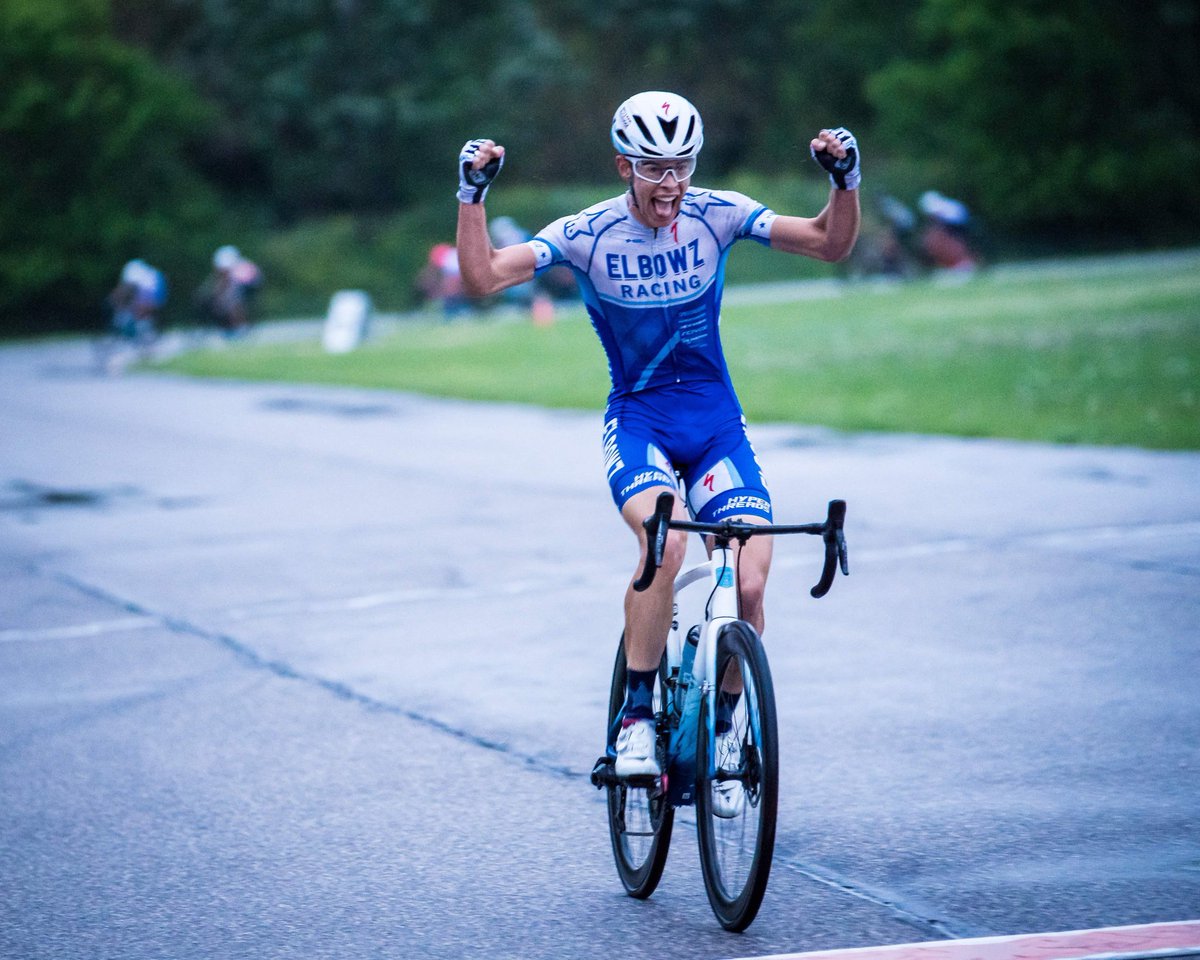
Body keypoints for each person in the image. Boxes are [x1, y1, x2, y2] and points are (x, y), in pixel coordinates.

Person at [455, 91, 860, 798]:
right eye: (653, 167)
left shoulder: (719, 213)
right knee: (666, 546)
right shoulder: (586, 233)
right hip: (639, 423)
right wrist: (471, 198)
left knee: (753, 581)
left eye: (681, 165)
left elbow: (830, 242)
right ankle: (636, 719)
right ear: (623, 167)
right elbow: (484, 277)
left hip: (714, 427)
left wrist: (844, 181)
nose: (670, 182)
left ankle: (728, 733)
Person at [196, 245, 262, 336]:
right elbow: (214, 289)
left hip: (244, 290)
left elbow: (234, 289)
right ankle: (230, 327)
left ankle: (241, 327)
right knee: (218, 302)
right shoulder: (226, 272)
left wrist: (222, 300)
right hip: (239, 291)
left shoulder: (241, 269)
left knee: (232, 301)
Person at [107, 258, 167, 345]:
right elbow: (122, 294)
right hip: (145, 297)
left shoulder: (151, 283)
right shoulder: (136, 278)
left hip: (151, 296)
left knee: (140, 315)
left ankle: (142, 332)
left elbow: (151, 303)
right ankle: (134, 331)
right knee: (128, 315)